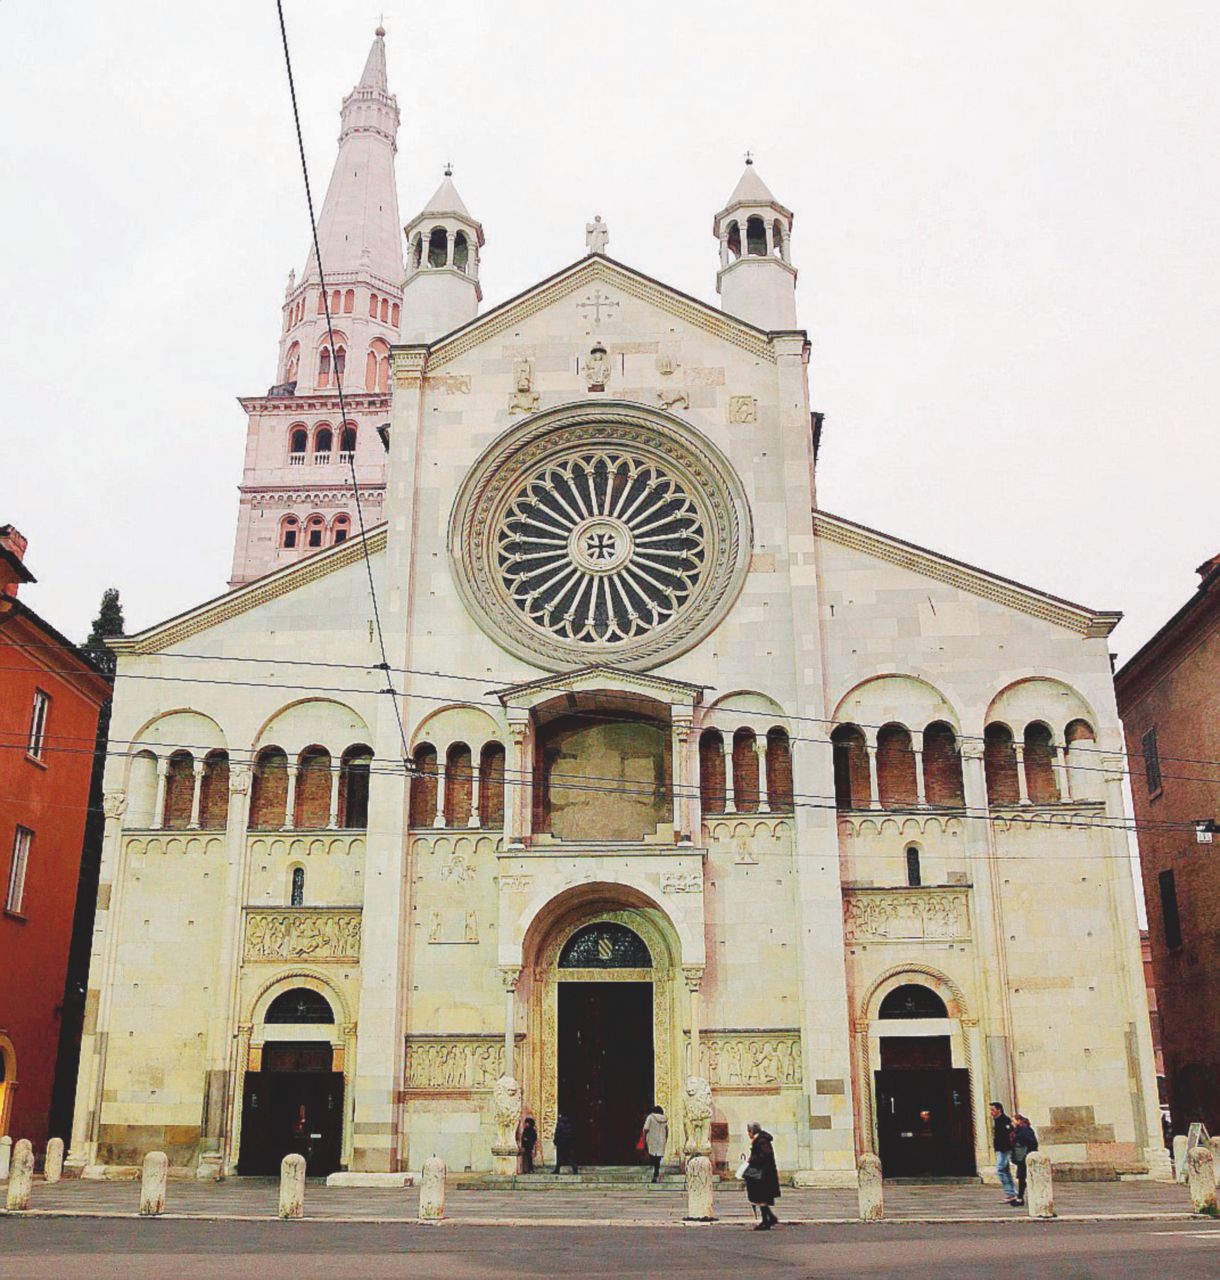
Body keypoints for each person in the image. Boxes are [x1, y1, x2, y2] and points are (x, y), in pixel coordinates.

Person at [744, 1121, 781, 1229]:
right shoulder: (760, 1140)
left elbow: (766, 1154)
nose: (748, 1134)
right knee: (761, 1198)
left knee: (762, 1197)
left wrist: (752, 1159)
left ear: (751, 1131)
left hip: (764, 1174)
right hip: (763, 1173)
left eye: (748, 1132)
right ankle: (770, 1218)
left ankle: (766, 1221)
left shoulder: (761, 1141)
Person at [990, 1101, 1018, 1204]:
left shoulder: (1004, 1120)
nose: (991, 1112)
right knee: (1005, 1171)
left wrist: (1006, 1148)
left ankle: (1010, 1193)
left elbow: (1008, 1135)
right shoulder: (997, 1120)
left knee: (1000, 1170)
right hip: (1000, 1149)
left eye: (993, 1110)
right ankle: (1012, 1193)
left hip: (1004, 1150)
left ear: (999, 1110)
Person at [1010, 1113, 1038, 1206]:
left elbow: (1032, 1143)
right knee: (1023, 1178)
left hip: (1024, 1158)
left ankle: (1021, 1198)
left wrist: (1029, 1154)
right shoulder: (1020, 1130)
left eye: (1013, 1120)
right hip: (1022, 1158)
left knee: (1024, 1178)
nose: (1012, 1123)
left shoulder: (1024, 1130)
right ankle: (1020, 1197)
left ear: (1018, 1121)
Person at [642, 1105, 668, 1182]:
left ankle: (655, 1171)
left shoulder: (650, 1117)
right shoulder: (665, 1119)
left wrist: (644, 1138)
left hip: (652, 1139)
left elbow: (646, 1128)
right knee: (658, 1157)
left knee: (652, 1154)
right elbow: (667, 1130)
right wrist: (665, 1139)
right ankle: (656, 1170)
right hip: (661, 1139)